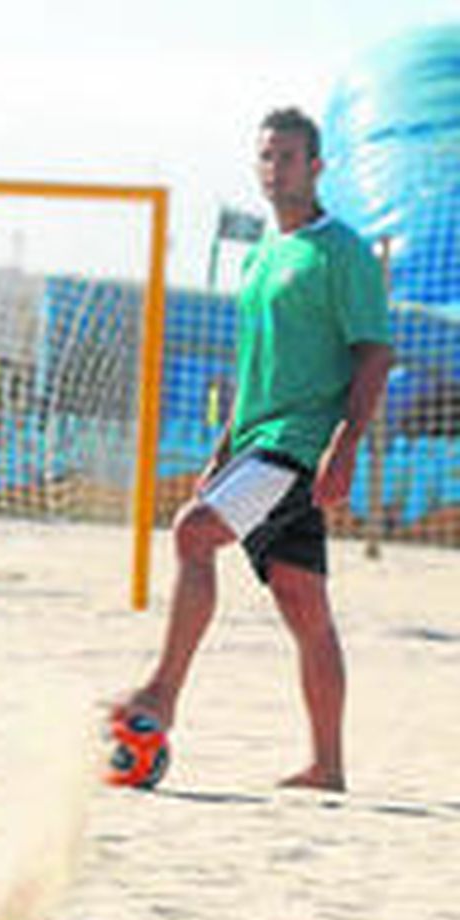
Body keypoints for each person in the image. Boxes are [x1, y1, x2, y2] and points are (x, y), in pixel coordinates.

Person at [115, 108, 393, 792]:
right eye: (266, 157)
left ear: (317, 166)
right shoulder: (265, 253)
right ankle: (327, 767)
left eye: (289, 157)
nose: (275, 169)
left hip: (298, 445)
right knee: (305, 605)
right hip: (256, 442)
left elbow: (376, 355)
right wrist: (222, 448)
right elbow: (253, 365)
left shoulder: (343, 252)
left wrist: (345, 445)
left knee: (193, 534)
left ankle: (161, 695)